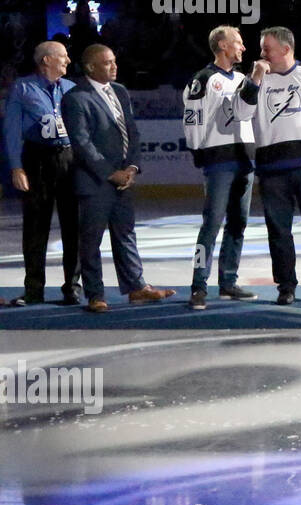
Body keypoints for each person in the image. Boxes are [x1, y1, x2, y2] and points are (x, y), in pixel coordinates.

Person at [62, 44, 175, 312]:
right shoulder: (76, 98)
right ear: (90, 67)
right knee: (91, 240)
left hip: (124, 179)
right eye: (107, 63)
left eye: (114, 61)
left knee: (125, 234)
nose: (114, 66)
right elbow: (82, 143)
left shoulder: (120, 91)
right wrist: (110, 173)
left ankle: (136, 287)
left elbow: (131, 132)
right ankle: (95, 294)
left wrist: (132, 168)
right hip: (95, 182)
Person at [236, 26, 301, 306]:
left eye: (267, 49)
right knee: (279, 231)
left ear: (285, 49)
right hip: (271, 169)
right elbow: (241, 113)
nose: (262, 54)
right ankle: (286, 286)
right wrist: (255, 79)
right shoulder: (254, 80)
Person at [183, 26, 258, 310]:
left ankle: (228, 281)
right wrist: (197, 150)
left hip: (245, 159)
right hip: (218, 160)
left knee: (238, 224)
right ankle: (198, 286)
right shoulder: (203, 79)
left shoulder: (242, 79)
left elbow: (248, 114)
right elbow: (192, 119)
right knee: (211, 225)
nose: (243, 47)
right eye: (238, 42)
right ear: (223, 46)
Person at [4, 41, 80, 306]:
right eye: (63, 56)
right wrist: (16, 167)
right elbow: (12, 130)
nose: (68, 60)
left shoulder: (71, 88)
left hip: (69, 158)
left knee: (73, 225)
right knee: (36, 226)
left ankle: (72, 287)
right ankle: (34, 289)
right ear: (46, 60)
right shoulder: (23, 88)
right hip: (37, 159)